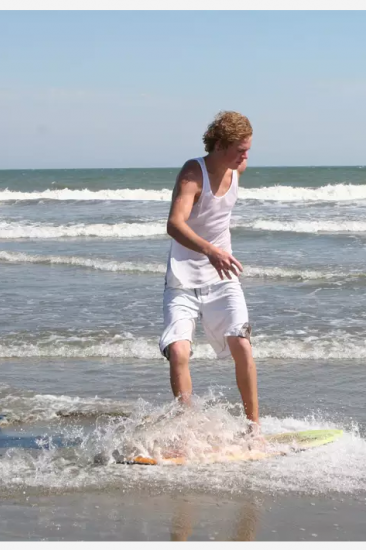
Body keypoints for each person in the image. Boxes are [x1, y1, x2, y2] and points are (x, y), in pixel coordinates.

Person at [158, 111, 259, 432]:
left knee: (241, 343)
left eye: (248, 149)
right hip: (183, 278)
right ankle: (187, 429)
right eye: (240, 149)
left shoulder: (236, 167)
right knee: (179, 351)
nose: (246, 157)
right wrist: (211, 250)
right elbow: (174, 225)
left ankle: (253, 428)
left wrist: (218, 256)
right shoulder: (193, 174)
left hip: (222, 277)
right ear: (218, 145)